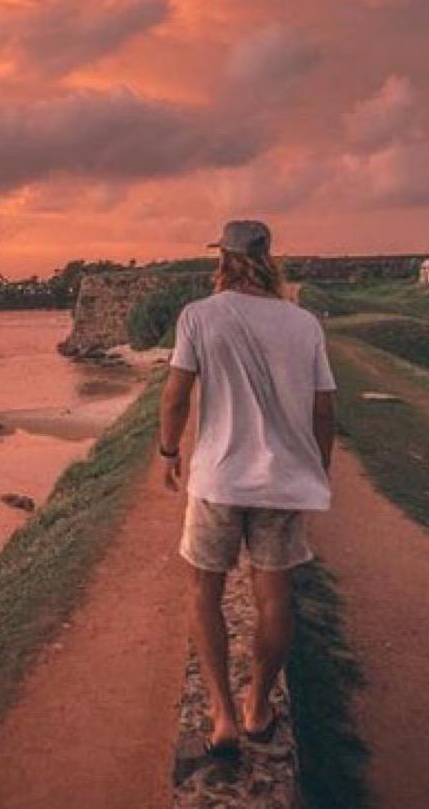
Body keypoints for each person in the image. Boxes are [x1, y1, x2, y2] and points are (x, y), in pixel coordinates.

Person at [158, 219, 336, 758]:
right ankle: (259, 704)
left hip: (217, 479)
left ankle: (221, 716)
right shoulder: (303, 323)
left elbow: (174, 396)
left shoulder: (199, 317)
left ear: (225, 260)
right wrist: (318, 470)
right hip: (281, 482)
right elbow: (324, 407)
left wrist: (169, 453)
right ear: (267, 257)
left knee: (203, 592)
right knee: (274, 596)